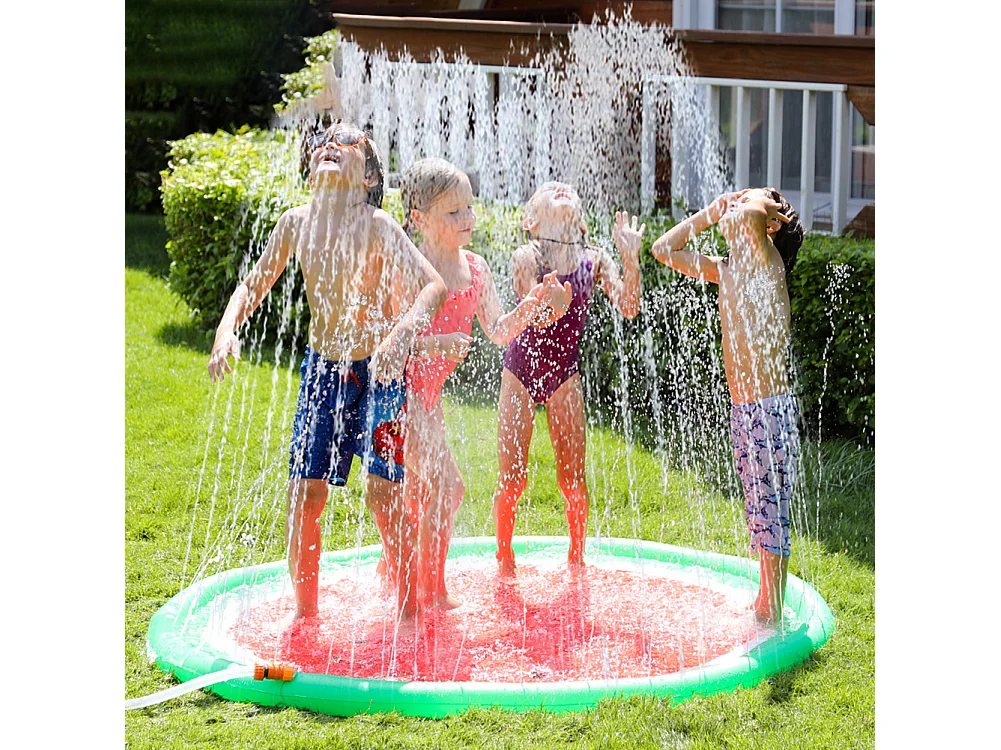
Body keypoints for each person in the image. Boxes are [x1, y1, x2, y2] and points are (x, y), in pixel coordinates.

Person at [207, 121, 448, 623]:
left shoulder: (378, 225)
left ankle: (409, 614)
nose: (330, 145)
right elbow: (251, 287)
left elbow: (434, 288)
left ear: (368, 177)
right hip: (324, 374)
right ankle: (305, 617)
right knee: (304, 495)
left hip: (380, 376)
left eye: (348, 141)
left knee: (384, 495)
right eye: (322, 140)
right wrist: (226, 330)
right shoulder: (297, 223)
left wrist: (401, 334)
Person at [395, 158, 572, 613]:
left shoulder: (475, 270)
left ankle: (403, 585)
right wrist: (436, 344)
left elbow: (498, 330)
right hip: (395, 393)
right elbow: (388, 343)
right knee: (448, 489)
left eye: (470, 208)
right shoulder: (410, 268)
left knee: (421, 494)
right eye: (454, 212)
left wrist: (532, 303)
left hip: (426, 398)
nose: (468, 218)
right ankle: (431, 594)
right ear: (419, 219)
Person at [650, 187, 806, 623]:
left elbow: (747, 220)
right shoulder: (729, 270)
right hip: (746, 411)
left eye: (748, 198)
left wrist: (762, 204)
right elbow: (664, 249)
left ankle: (771, 608)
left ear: (770, 225)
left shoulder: (767, 263)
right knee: (759, 507)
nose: (737, 200)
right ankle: (765, 600)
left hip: (769, 409)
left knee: (770, 508)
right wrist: (709, 212)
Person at [492, 181, 644, 575]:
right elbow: (536, 316)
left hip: (564, 374)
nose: (561, 188)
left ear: (581, 222)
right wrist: (553, 305)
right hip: (520, 371)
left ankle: (577, 558)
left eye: (568, 191)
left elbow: (629, 306)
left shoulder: (595, 259)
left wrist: (630, 261)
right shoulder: (526, 256)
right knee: (513, 480)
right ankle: (504, 559)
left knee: (572, 480)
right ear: (531, 220)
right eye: (548, 190)